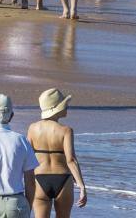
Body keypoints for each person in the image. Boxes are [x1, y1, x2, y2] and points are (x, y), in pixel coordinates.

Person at [27, 89, 87, 217]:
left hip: (39, 179)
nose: (67, 107)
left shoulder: (32, 128)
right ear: (57, 108)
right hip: (63, 180)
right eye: (65, 104)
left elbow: (27, 158)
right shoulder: (66, 131)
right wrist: (82, 186)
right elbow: (71, 160)